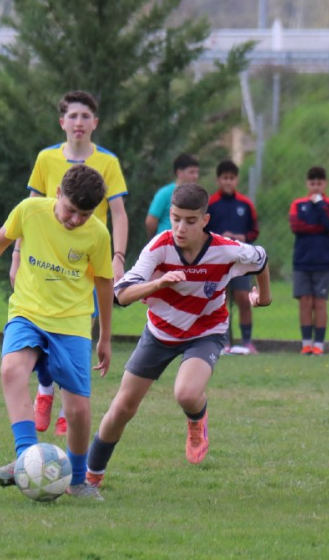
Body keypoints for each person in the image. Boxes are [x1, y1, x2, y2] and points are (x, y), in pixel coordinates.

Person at [84, 183, 271, 490]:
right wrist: (157, 285)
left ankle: (197, 420)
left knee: (185, 393)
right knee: (123, 407)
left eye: (190, 221)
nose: (181, 228)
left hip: (206, 331)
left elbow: (261, 259)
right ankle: (91, 476)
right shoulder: (159, 247)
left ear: (205, 220)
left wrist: (263, 298)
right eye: (175, 218)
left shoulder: (226, 250)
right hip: (159, 332)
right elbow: (122, 294)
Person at [0, 163, 113, 501]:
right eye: (71, 210)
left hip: (72, 323)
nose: (76, 220)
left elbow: (103, 283)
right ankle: (26, 459)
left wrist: (105, 337)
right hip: (28, 312)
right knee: (11, 370)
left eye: (85, 214)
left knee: (78, 410)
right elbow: (0, 240)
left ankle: (77, 480)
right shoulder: (29, 210)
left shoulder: (98, 234)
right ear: (58, 193)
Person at [14, 91, 128, 437]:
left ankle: (67, 406)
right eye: (73, 116)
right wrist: (17, 255)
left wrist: (118, 258)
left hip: (86, 264)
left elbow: (119, 213)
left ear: (95, 122)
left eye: (85, 116)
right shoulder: (46, 158)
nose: (79, 122)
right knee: (38, 328)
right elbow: (28, 209)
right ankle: (45, 388)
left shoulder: (108, 162)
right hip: (46, 262)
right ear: (62, 122)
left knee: (75, 334)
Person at [205, 160, 260, 354]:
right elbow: (203, 231)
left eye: (232, 178)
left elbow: (254, 230)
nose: (228, 182)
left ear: (236, 180)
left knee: (243, 299)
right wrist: (220, 238)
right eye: (225, 178)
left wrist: (243, 237)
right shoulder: (211, 204)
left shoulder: (245, 204)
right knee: (221, 299)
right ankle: (223, 341)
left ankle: (247, 341)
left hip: (241, 259)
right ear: (218, 180)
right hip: (219, 259)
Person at [289, 166, 329, 356]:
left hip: (324, 261)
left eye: (319, 183)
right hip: (302, 260)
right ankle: (306, 344)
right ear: (307, 184)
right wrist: (323, 229)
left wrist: (320, 205)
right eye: (312, 183)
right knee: (305, 301)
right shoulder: (298, 204)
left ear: (325, 184)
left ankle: (319, 344)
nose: (316, 187)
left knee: (320, 302)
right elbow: (297, 227)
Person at [145, 153, 199, 239]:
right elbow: (151, 221)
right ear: (179, 172)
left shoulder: (197, 195)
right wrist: (155, 240)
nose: (195, 176)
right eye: (191, 172)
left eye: (197, 172)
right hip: (166, 241)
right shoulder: (165, 193)